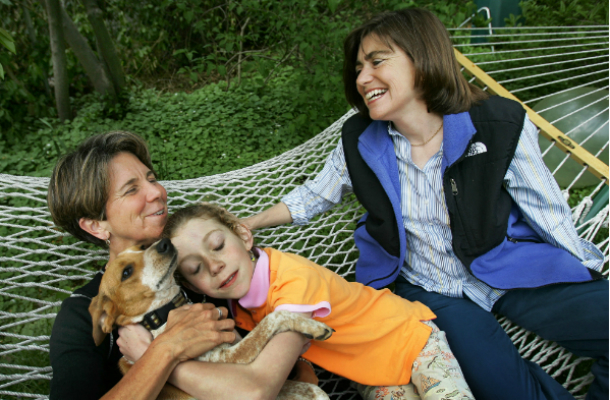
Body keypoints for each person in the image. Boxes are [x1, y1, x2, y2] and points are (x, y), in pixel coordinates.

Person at [242, 8, 609, 400]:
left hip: (505, 266)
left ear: (422, 57)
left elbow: (547, 210)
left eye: (377, 61)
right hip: (429, 289)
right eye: (358, 68)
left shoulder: (498, 124)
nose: (363, 78)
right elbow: (316, 195)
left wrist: (584, 269)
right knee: (502, 387)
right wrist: (248, 222)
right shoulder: (361, 139)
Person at [47, 131, 315, 400]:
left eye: (152, 179)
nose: (157, 192)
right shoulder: (83, 313)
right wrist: (166, 349)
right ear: (96, 225)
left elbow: (266, 329)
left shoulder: (199, 266)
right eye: (131, 189)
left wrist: (300, 367)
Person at [162, 202, 475, 400]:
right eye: (195, 268)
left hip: (409, 340)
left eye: (217, 246)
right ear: (191, 283)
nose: (213, 265)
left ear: (244, 236)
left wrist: (165, 365)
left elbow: (267, 371)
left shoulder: (293, 281)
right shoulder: (237, 310)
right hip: (368, 372)